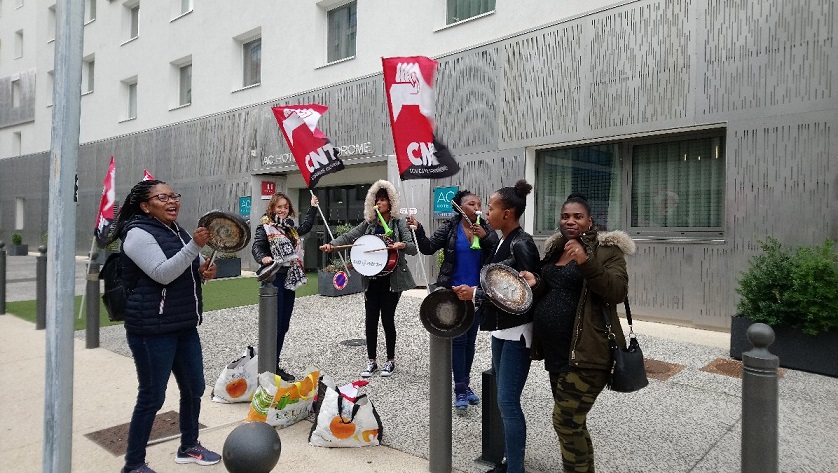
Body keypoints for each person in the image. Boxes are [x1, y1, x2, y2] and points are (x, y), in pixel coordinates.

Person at [107, 180, 221, 473]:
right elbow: (162, 274)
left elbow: (185, 267)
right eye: (162, 197)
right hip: (151, 329)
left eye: (174, 196)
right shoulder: (137, 235)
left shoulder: (177, 230)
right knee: (152, 396)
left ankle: (189, 446)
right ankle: (133, 464)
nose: (172, 201)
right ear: (145, 206)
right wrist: (195, 244)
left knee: (194, 387)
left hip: (182, 324)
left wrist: (202, 272)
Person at [521, 192, 634, 473]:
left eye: (577, 216)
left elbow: (617, 291)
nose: (570, 221)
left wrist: (586, 261)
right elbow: (552, 289)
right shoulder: (556, 247)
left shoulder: (608, 251)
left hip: (588, 352)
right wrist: (537, 282)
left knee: (565, 420)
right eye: (565, 216)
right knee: (574, 423)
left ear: (590, 221)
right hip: (558, 353)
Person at [452, 179, 540, 473]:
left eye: (490, 207)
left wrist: (475, 294)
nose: (485, 212)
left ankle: (515, 468)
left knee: (508, 402)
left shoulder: (523, 243)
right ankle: (508, 461)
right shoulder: (503, 238)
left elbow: (522, 293)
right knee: (504, 404)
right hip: (502, 331)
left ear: (508, 213)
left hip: (518, 335)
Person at [407, 190, 498, 411]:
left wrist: (485, 238)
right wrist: (418, 230)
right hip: (453, 293)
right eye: (470, 203)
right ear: (459, 207)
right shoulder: (450, 227)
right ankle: (459, 388)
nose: (476, 207)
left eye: (478, 203)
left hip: (476, 294)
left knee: (470, 341)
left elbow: (497, 250)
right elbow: (428, 247)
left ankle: (465, 384)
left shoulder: (485, 228)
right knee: (458, 340)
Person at [320, 179, 417, 378]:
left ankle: (390, 361)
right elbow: (348, 237)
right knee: (370, 320)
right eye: (377, 200)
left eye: (383, 200)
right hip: (372, 279)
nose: (379, 203)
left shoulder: (399, 223)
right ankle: (371, 360)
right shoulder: (369, 224)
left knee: (388, 319)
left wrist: (401, 246)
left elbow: (413, 248)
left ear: (390, 202)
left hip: (392, 280)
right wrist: (332, 244)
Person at [251, 192, 319, 382]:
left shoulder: (290, 229)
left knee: (283, 325)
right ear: (272, 208)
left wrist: (313, 207)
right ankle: (267, 367)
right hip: (274, 279)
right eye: (279, 207)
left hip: (290, 279)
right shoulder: (264, 227)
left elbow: (305, 227)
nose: (282, 210)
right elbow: (257, 247)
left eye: (286, 207)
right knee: (273, 324)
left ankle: (274, 364)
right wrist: (263, 258)